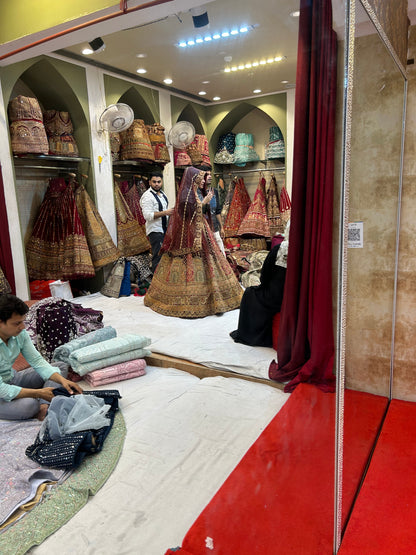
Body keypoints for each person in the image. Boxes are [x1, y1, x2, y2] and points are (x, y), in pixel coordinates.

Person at [144, 166, 243, 318]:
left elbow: (199, 211)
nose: (202, 180)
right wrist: (203, 203)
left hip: (201, 231)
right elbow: (187, 213)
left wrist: (204, 203)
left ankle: (218, 297)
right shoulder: (185, 195)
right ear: (193, 178)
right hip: (188, 234)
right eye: (199, 178)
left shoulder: (193, 193)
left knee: (212, 260)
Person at [0, 294, 83, 421]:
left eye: (22, 321)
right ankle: (40, 402)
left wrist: (63, 381)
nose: (22, 327)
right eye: (17, 323)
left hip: (12, 378)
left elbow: (37, 361)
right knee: (30, 405)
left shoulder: (20, 334)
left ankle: (44, 406)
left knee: (59, 366)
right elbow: (3, 390)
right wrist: (38, 393)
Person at [230, 220, 290, 347]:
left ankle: (251, 336)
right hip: (296, 296)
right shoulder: (307, 251)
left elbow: (265, 275)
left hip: (278, 297)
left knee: (250, 294)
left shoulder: (280, 249)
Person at [139, 171, 174, 273]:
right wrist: (165, 212)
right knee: (158, 257)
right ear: (149, 182)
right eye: (154, 182)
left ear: (162, 182)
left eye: (159, 182)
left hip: (164, 230)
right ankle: (155, 284)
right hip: (155, 231)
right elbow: (147, 216)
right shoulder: (147, 196)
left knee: (165, 257)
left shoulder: (162, 194)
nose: (157, 184)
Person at [197, 171, 226, 256]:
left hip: (214, 227)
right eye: (207, 175)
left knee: (220, 248)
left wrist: (221, 227)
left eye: (210, 174)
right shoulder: (198, 193)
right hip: (203, 228)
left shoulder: (214, 191)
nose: (210, 177)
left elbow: (217, 211)